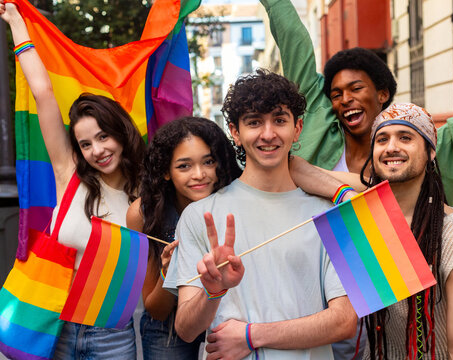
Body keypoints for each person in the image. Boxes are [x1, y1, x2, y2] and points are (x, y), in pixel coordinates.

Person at [259, 0, 453, 206]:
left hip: (401, 279)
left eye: (356, 88)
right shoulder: (318, 123)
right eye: (336, 94)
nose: (346, 99)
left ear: (382, 94)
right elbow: (294, 40)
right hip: (320, 278)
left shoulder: (422, 150)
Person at [169, 69, 357, 359]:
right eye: (254, 122)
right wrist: (213, 292)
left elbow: (344, 321)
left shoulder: (330, 215)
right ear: (235, 131)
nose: (268, 134)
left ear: (297, 128)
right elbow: (186, 329)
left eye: (279, 120)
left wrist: (251, 335)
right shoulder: (199, 216)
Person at [1, 2, 145, 358]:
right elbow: (43, 93)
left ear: (121, 133)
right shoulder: (69, 176)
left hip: (113, 338)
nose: (97, 150)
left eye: (103, 136)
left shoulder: (148, 192)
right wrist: (16, 22)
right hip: (54, 328)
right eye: (85, 143)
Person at [361, 103, 453, 359]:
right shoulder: (366, 221)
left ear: (430, 152)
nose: (391, 147)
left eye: (405, 137)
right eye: (382, 139)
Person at [126, 117, 242, 359]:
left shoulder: (237, 201)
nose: (199, 174)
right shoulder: (143, 214)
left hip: (229, 315)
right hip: (167, 328)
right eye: (184, 166)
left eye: (208, 162)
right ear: (166, 172)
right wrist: (167, 274)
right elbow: (155, 309)